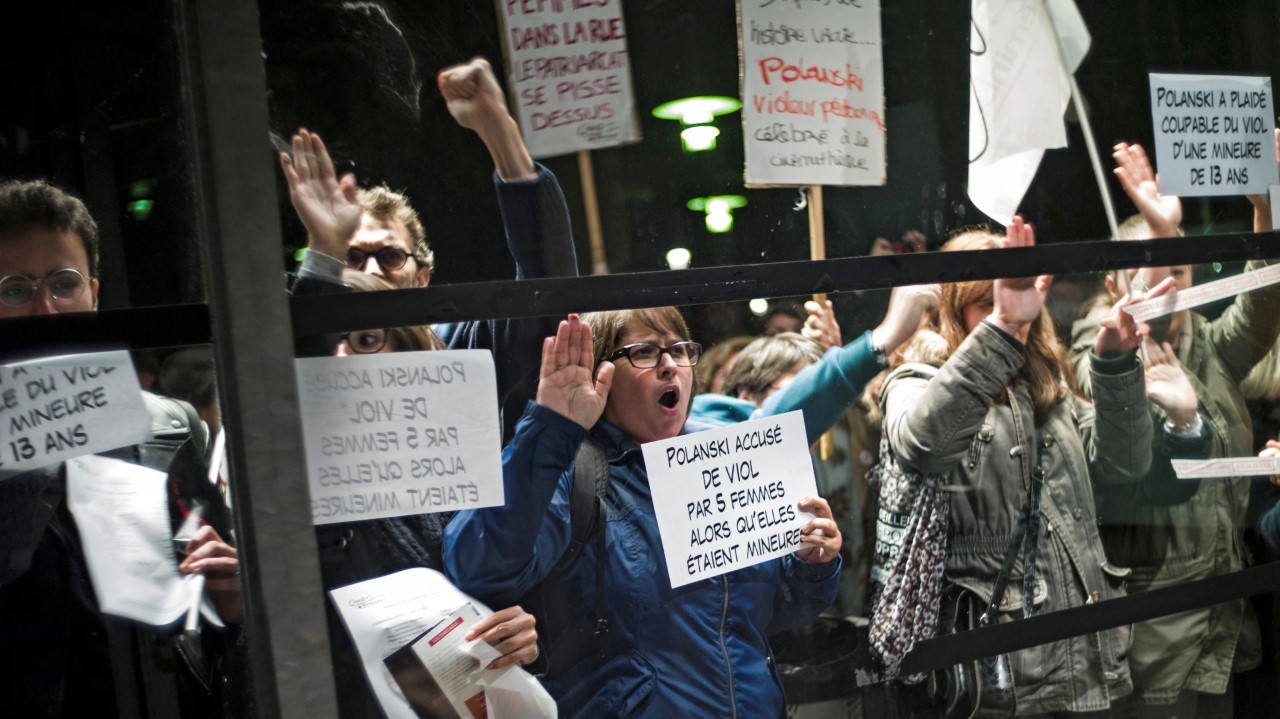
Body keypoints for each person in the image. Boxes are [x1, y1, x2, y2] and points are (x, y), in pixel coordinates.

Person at [443, 310, 843, 717]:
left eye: (680, 350)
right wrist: (549, 430)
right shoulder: (569, 471)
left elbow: (770, 612)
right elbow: (479, 565)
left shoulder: (725, 460)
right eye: (645, 352)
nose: (670, 365)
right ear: (601, 373)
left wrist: (810, 562)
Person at [878, 219, 1180, 715]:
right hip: (1003, 670)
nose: (1014, 307)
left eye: (1020, 294)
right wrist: (1002, 327)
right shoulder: (916, 378)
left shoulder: (1048, 387)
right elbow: (923, 445)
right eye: (989, 300)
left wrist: (1112, 364)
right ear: (954, 311)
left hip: (1088, 651)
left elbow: (1126, 466)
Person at [0, 179, 238, 717]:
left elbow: (214, 597)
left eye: (64, 284)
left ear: (95, 292)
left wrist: (232, 597)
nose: (46, 309)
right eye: (15, 290)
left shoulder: (169, 425)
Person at [1069, 141, 1280, 714]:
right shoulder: (1096, 348)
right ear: (1115, 286)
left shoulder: (1204, 342)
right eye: (1156, 271)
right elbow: (1142, 324)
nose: (1173, 287)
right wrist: (1162, 230)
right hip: (1151, 624)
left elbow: (1263, 306)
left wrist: (1266, 214)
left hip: (1220, 610)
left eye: (1181, 271)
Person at [283, 57, 576, 439]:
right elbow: (282, 389)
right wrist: (323, 248)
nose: (371, 272)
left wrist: (500, 134)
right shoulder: (320, 347)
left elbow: (546, 295)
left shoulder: (458, 349)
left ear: (422, 277)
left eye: (390, 256)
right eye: (352, 258)